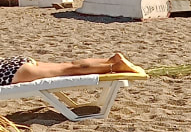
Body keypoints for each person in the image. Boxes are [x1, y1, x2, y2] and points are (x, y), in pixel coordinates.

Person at [0, 52, 147, 87]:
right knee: (68, 64)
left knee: (68, 70)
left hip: (10, 74)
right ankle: (111, 60)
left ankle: (114, 66)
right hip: (10, 63)